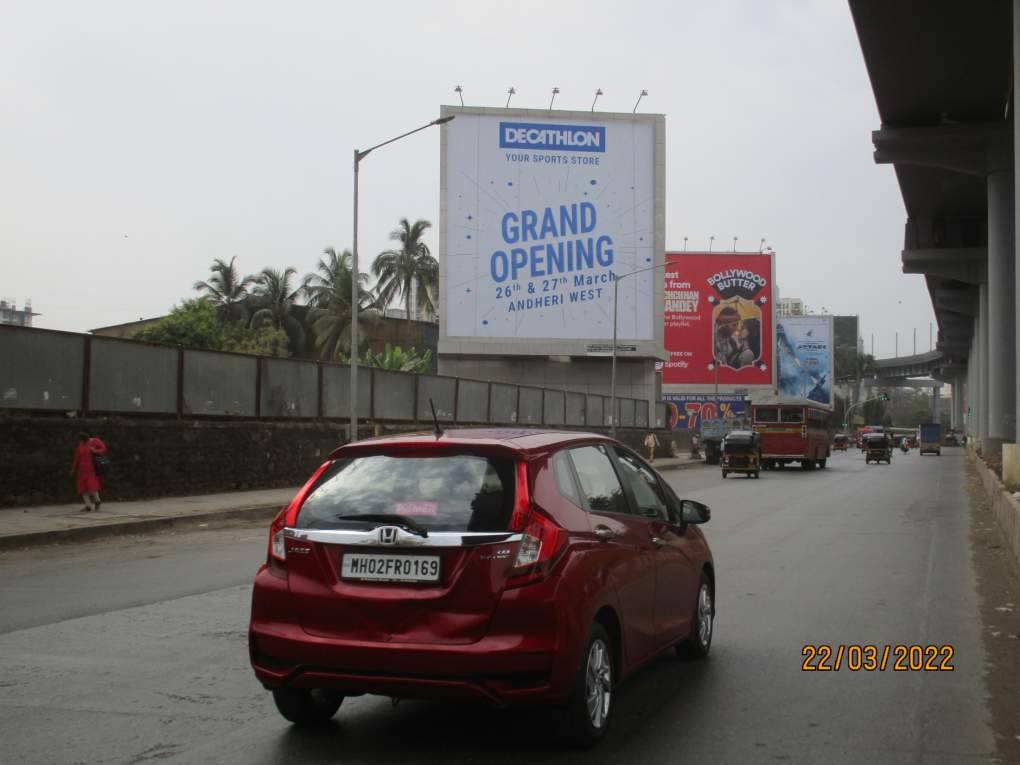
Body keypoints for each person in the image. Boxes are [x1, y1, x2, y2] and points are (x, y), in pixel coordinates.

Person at [70, 430, 108, 512]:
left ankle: (97, 501)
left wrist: (95, 451)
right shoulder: (81, 444)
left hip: (91, 469)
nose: (82, 440)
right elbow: (77, 457)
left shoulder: (95, 441)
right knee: (82, 488)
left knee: (92, 486)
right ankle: (88, 506)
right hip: (82, 469)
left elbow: (104, 449)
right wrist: (74, 468)